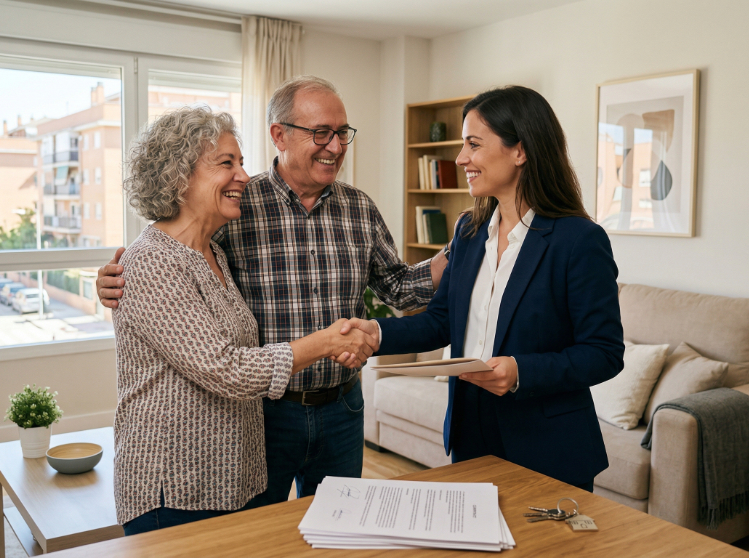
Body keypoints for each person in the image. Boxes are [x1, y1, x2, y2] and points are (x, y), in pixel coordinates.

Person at [98, 76, 448, 505]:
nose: (336, 146)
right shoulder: (237, 204)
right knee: (262, 538)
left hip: (342, 408)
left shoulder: (360, 208)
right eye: (321, 132)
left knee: (340, 534)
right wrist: (117, 278)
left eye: (342, 133)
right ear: (279, 135)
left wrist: (459, 252)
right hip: (264, 413)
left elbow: (398, 287)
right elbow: (175, 249)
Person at [344, 86, 624, 491]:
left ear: (520, 151)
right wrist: (378, 333)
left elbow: (604, 353)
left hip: (547, 445)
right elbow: (442, 321)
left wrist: (520, 372)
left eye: (473, 144)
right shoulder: (470, 231)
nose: (461, 159)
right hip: (470, 430)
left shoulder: (579, 240)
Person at [113, 106, 374, 535]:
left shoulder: (212, 252)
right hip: (174, 489)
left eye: (242, 162)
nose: (244, 176)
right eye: (226, 163)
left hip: (230, 480)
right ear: (179, 176)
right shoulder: (153, 261)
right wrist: (325, 343)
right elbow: (227, 369)